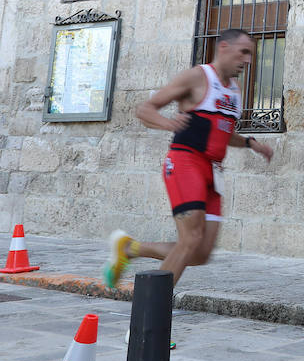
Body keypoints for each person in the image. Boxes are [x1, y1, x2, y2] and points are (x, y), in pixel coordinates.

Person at [104, 29, 275, 295]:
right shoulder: (198, 77)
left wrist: (251, 143)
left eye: (251, 54)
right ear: (224, 48)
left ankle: (129, 249)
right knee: (190, 238)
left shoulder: (234, 90)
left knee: (200, 253)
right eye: (244, 52)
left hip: (212, 173)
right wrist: (169, 123)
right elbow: (145, 110)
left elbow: (223, 133)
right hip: (186, 163)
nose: (248, 60)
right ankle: (147, 319)